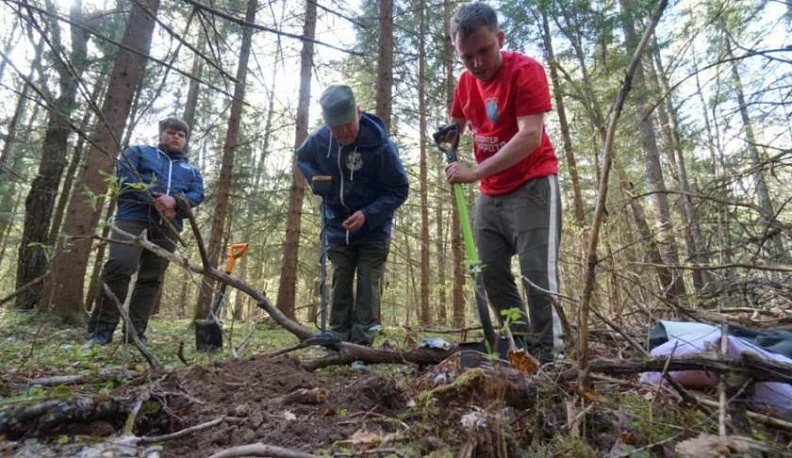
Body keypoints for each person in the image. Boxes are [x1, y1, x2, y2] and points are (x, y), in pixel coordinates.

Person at [444, 2, 563, 363]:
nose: (477, 63)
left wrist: (475, 172)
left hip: (533, 184)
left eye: (484, 51)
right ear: (457, 52)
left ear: (500, 38)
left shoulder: (526, 71)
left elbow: (529, 136)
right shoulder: (465, 82)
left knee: (537, 276)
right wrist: (449, 140)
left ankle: (551, 359)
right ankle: (523, 347)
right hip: (491, 195)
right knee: (491, 274)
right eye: (467, 56)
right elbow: (457, 124)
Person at [297, 85, 409, 369]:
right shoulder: (321, 140)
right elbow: (303, 158)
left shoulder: (380, 145)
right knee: (340, 280)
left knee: (368, 284)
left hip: (373, 229)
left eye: (348, 125)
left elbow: (399, 189)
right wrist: (316, 180)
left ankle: (362, 348)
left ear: (358, 113)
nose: (344, 133)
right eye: (337, 128)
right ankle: (337, 341)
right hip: (336, 224)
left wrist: (368, 215)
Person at [86, 117, 205, 346]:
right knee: (120, 267)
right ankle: (101, 332)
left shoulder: (191, 169)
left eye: (181, 135)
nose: (176, 137)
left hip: (168, 226)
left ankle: (135, 334)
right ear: (162, 134)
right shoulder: (139, 152)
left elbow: (198, 194)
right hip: (133, 217)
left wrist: (177, 203)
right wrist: (155, 200)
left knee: (151, 279)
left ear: (185, 140)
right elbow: (126, 177)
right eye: (171, 132)